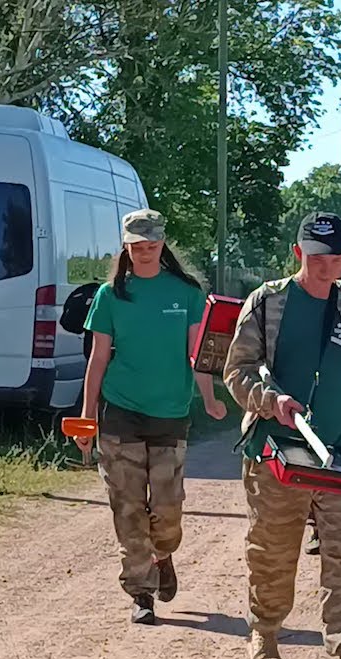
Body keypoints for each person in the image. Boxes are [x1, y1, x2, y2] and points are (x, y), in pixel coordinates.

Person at [223, 211, 341, 659]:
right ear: (299, 254)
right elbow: (237, 371)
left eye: (335, 258)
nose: (326, 266)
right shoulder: (268, 302)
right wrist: (269, 401)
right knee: (272, 551)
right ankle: (265, 632)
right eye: (316, 258)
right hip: (276, 454)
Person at [77, 209, 228, 625]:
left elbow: (198, 355)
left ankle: (163, 555)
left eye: (152, 247)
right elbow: (98, 358)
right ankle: (140, 592)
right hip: (120, 411)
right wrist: (87, 416)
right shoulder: (111, 295)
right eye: (137, 248)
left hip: (170, 412)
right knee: (127, 508)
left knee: (167, 510)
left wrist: (211, 400)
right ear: (125, 248)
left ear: (163, 245)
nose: (144, 254)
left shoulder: (186, 293)